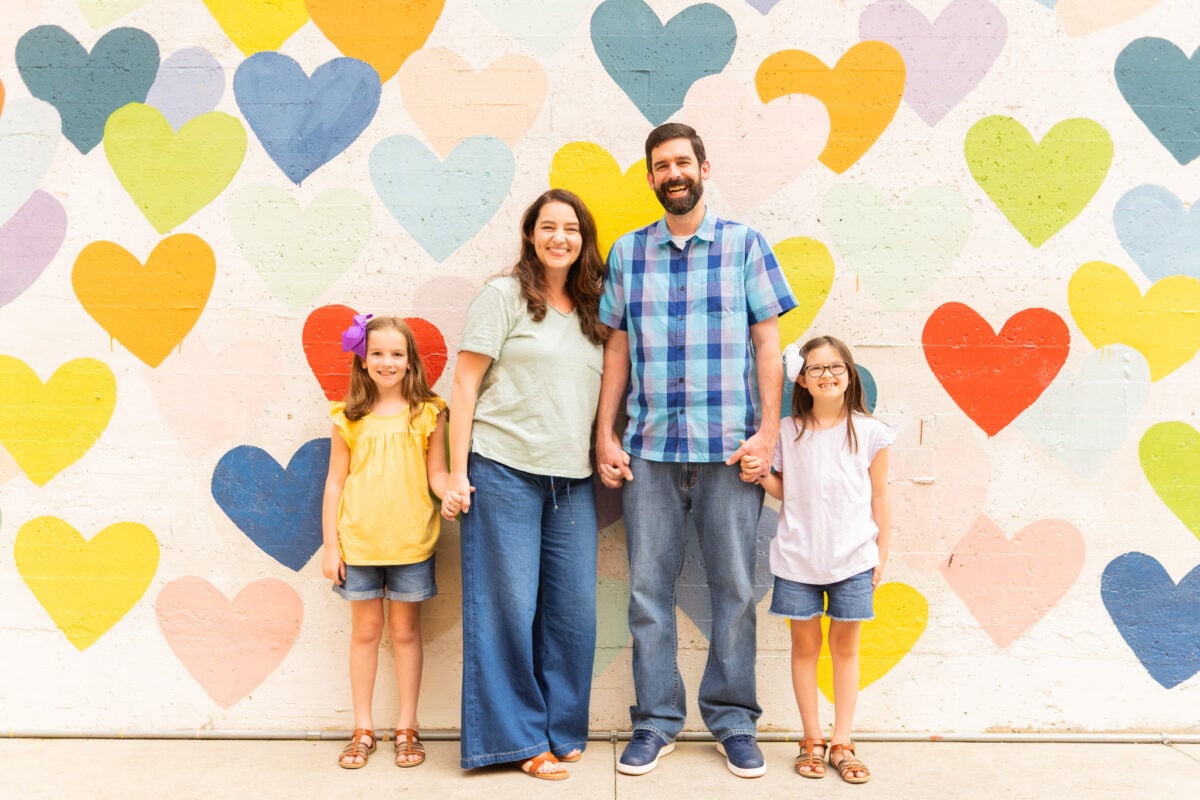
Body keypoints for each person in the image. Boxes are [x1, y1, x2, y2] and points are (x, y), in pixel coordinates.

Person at [595, 123, 797, 778]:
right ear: (650, 177)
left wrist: (768, 434)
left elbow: (769, 345)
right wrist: (606, 433)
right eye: (661, 165)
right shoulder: (628, 254)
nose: (672, 173)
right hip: (650, 447)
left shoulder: (745, 246)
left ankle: (733, 721)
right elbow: (617, 349)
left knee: (734, 588)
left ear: (705, 168)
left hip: (730, 449)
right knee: (648, 591)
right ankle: (655, 722)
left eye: (683, 161)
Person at [443, 189, 607, 781]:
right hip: (502, 470)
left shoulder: (594, 311)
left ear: (584, 240)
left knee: (571, 616)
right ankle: (514, 742)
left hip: (573, 482)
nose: (559, 237)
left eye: (571, 229)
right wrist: (456, 472)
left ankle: (560, 729)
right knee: (506, 612)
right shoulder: (503, 296)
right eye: (548, 227)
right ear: (530, 235)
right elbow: (463, 388)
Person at [739, 335, 894, 785]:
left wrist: (881, 554)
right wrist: (761, 472)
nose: (827, 375)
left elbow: (880, 497)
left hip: (853, 560)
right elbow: (787, 489)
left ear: (850, 374)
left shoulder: (871, 432)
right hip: (797, 561)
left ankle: (842, 740)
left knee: (845, 650)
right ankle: (811, 738)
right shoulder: (788, 430)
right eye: (817, 368)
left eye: (836, 367)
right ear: (802, 380)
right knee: (805, 649)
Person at [321, 314, 449, 770]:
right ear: (363, 359)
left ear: (411, 361)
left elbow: (437, 472)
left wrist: (451, 491)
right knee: (365, 633)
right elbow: (335, 483)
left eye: (397, 354)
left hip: (411, 544)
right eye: (377, 353)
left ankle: (407, 726)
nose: (387, 362)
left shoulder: (428, 413)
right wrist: (331, 547)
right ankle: (362, 729)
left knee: (406, 633)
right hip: (359, 546)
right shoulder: (348, 418)